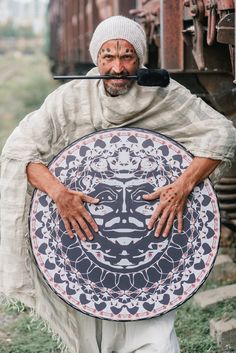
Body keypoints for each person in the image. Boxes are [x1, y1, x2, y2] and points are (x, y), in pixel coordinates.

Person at [0, 15, 235, 353]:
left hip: (151, 243)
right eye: (108, 57)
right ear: (97, 59)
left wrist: (183, 185)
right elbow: (20, 150)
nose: (117, 67)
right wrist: (59, 194)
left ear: (140, 59)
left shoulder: (163, 94)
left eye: (127, 56)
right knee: (94, 336)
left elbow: (222, 133)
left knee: (154, 336)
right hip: (84, 243)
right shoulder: (72, 98)